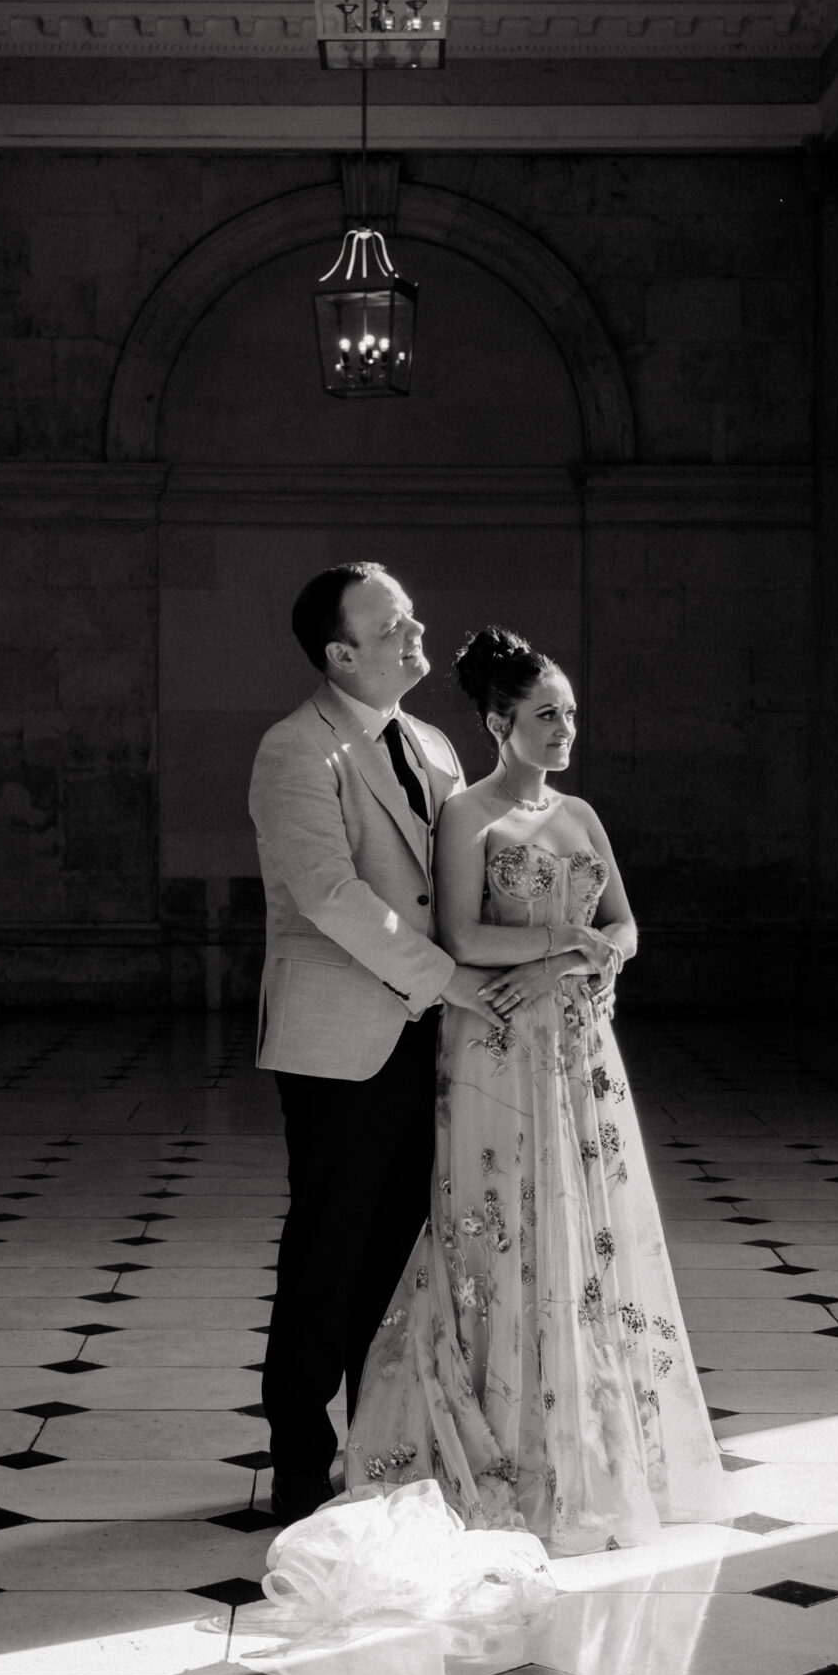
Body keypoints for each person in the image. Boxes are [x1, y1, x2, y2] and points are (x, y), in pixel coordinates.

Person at [344, 626, 727, 1555]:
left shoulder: (583, 815)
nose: (565, 730)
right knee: (505, 1219)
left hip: (582, 1049)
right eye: (546, 715)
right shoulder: (468, 817)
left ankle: (588, 1440)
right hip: (498, 1043)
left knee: (587, 1225)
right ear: (497, 722)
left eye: (570, 714)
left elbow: (626, 925)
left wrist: (595, 953)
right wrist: (570, 950)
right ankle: (502, 1440)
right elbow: (468, 939)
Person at [248, 563, 509, 1527]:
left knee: (402, 1254)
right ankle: (297, 1458)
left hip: (430, 1039)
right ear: (340, 654)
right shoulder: (294, 750)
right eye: (392, 624)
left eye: (412, 615)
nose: (415, 631)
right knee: (330, 1247)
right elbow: (329, 895)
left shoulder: (433, 742)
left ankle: (380, 1445)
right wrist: (453, 982)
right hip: (341, 1043)